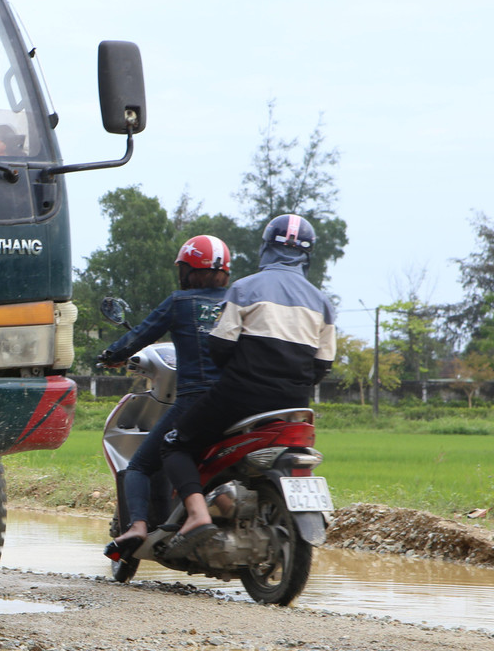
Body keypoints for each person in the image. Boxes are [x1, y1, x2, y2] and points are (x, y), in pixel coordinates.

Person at [158, 213, 337, 550]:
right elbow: (322, 366)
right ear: (307, 255)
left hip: (239, 397)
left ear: (266, 247)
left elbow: (220, 347)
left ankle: (197, 514)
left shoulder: (244, 288)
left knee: (175, 444)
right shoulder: (323, 303)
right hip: (294, 406)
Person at [100, 236, 232, 560]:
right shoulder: (239, 301)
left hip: (195, 400)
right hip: (240, 399)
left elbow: (140, 335)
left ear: (187, 271)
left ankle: (137, 528)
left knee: (141, 465)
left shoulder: (179, 302)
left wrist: (112, 355)